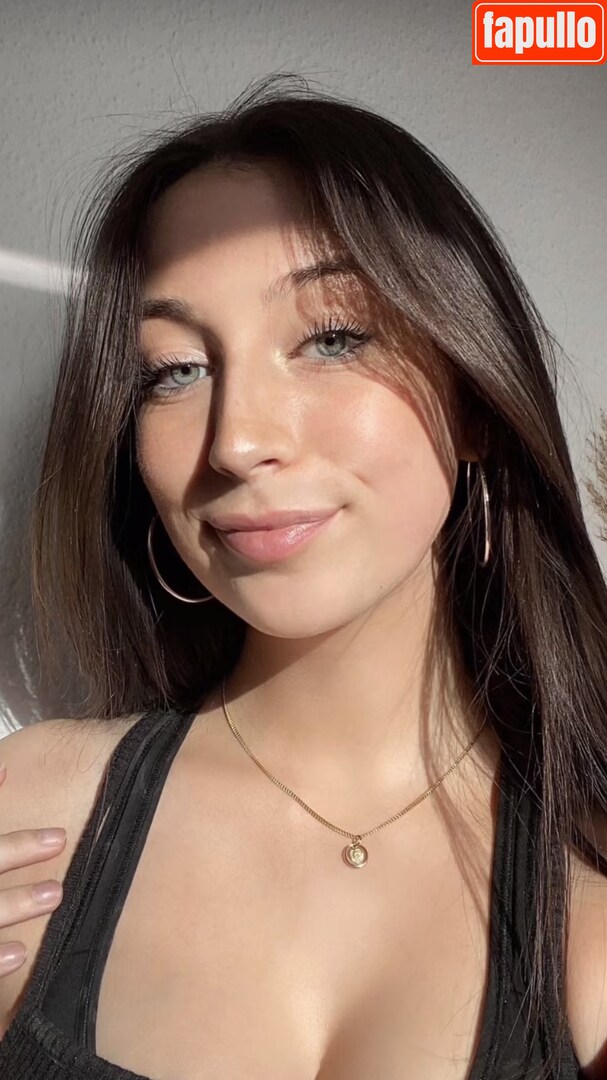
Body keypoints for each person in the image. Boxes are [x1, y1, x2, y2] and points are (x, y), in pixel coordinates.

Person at [0, 71, 606, 1080]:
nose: (236, 441)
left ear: (474, 404)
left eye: (332, 338)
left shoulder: (585, 915)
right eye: (175, 370)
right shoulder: (34, 821)